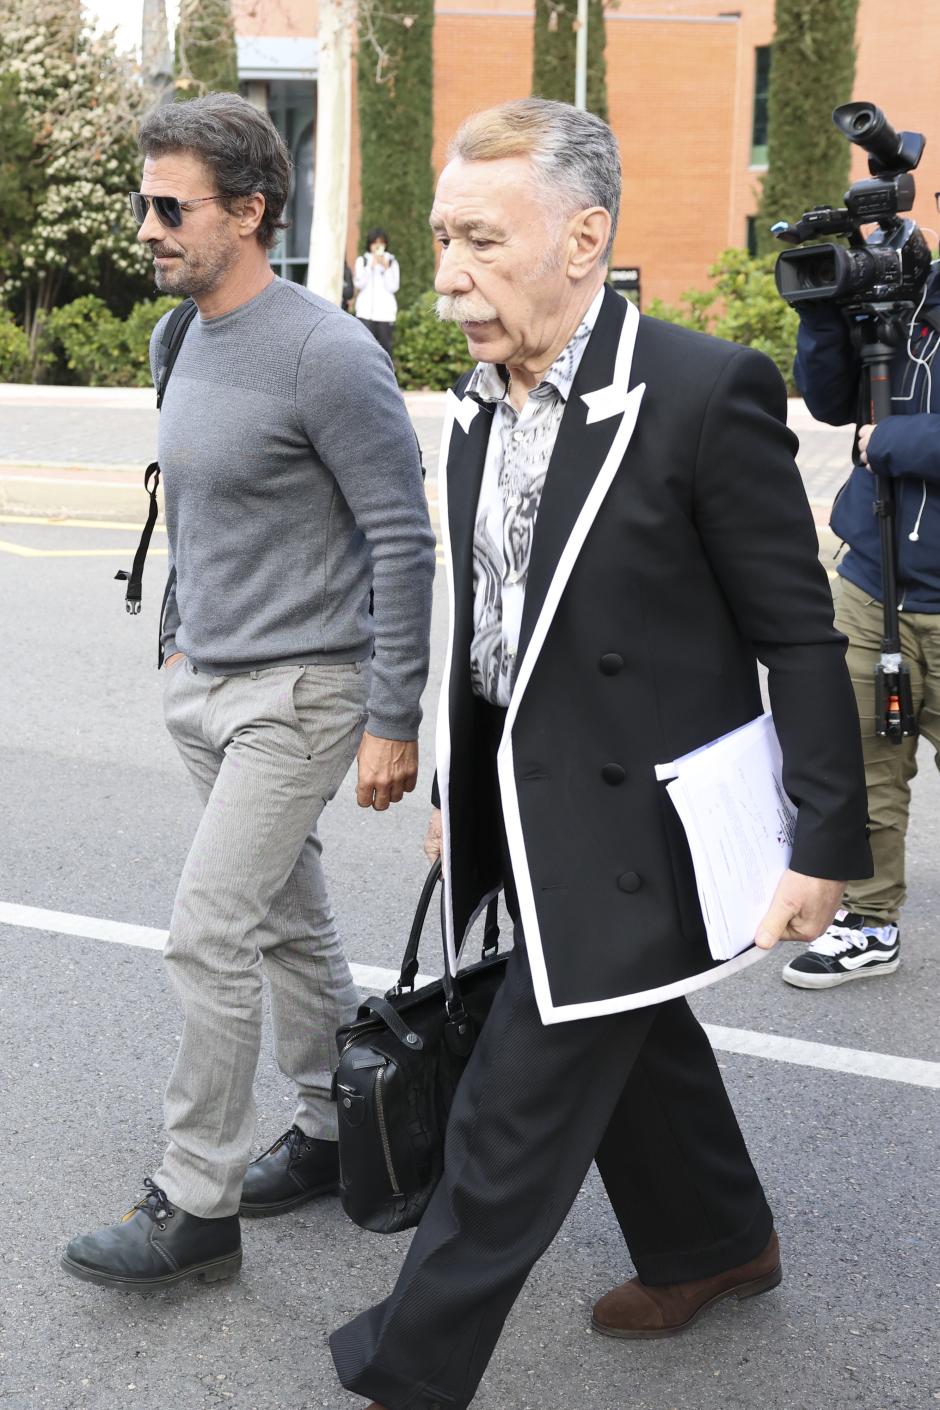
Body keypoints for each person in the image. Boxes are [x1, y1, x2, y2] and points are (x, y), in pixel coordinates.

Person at [328, 98, 872, 1410]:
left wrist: (825, 843)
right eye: (443, 239)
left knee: (511, 1108)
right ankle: (718, 1239)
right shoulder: (478, 399)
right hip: (529, 795)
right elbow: (499, 623)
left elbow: (800, 634)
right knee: (636, 1038)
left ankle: (407, 1369)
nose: (448, 273)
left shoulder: (700, 391)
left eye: (481, 241)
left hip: (646, 825)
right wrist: (466, 787)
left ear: (584, 237)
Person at [61, 92, 436, 1290]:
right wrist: (178, 636)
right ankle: (335, 1132)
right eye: (144, 203)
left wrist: (393, 713)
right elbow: (200, 509)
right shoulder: (181, 339)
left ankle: (195, 1204)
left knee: (207, 935)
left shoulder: (327, 351)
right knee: (284, 919)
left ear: (250, 211)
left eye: (172, 208)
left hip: (303, 693)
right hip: (206, 685)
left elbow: (400, 538)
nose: (149, 228)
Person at [780, 271, 940, 989]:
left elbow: (885, 437)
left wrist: (901, 440)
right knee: (868, 768)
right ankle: (870, 923)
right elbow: (830, 399)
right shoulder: (907, 303)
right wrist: (821, 319)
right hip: (874, 587)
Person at [354, 227, 400, 359]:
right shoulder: (362, 260)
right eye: (375, 243)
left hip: (385, 314)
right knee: (364, 348)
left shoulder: (391, 261)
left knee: (385, 349)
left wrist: (386, 268)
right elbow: (359, 284)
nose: (378, 246)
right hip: (365, 313)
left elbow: (393, 287)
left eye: (381, 243)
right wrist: (370, 267)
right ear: (370, 245)